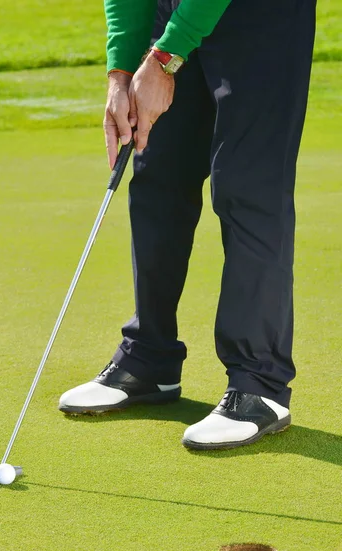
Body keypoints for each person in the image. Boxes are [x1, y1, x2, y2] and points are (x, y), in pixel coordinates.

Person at [59, 0, 316, 450]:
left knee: (247, 186)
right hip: (174, 15)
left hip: (262, 17)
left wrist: (164, 58)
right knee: (157, 170)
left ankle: (261, 385)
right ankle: (150, 359)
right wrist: (122, 71)